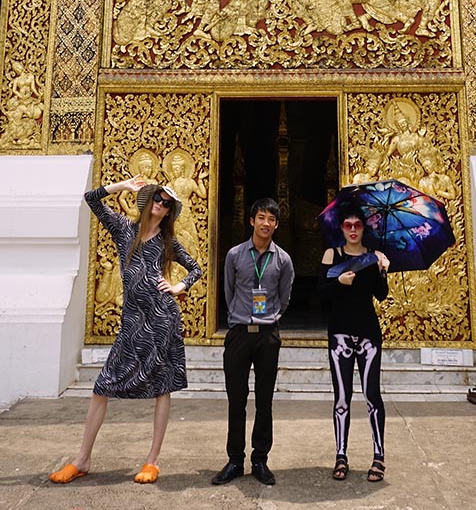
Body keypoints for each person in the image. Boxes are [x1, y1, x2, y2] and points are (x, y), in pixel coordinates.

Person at [49, 175, 201, 485]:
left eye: (167, 203)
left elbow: (195, 268)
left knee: (162, 388)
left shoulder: (167, 242)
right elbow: (92, 199)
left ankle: (152, 460)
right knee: (102, 386)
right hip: (132, 322)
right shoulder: (125, 230)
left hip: (162, 319)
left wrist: (177, 286)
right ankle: (83, 458)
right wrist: (122, 187)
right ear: (149, 202)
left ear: (170, 211)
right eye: (158, 199)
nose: (161, 205)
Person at [212, 198, 294, 487]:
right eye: (261, 217)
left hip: (268, 336)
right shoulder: (235, 255)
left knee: (264, 399)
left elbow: (284, 298)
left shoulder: (283, 259)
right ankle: (235, 459)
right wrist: (242, 316)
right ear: (251, 220)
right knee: (237, 399)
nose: (266, 223)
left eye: (271, 219)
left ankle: (260, 459)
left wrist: (269, 318)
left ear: (276, 225)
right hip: (238, 334)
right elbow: (229, 291)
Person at [318, 205, 390, 483]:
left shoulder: (373, 258)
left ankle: (379, 456)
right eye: (347, 225)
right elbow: (322, 293)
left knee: (372, 395)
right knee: (342, 398)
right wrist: (340, 282)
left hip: (368, 334)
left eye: (357, 225)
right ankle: (341, 454)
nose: (352, 229)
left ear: (363, 228)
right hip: (340, 334)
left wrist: (383, 270)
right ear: (341, 228)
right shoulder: (332, 255)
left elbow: (381, 295)